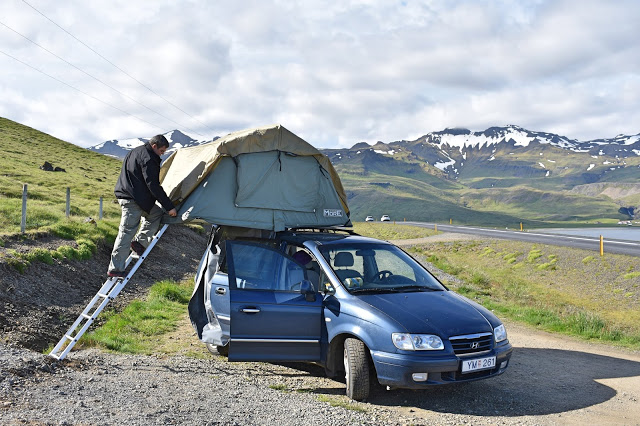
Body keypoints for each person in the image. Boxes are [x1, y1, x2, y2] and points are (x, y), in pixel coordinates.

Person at [107, 135, 177, 277]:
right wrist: (169, 206)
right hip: (133, 200)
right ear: (154, 146)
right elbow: (153, 185)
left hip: (135, 197)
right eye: (162, 151)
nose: (162, 155)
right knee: (126, 233)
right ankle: (116, 268)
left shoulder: (135, 151)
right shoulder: (149, 158)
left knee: (156, 214)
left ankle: (139, 243)